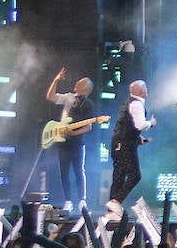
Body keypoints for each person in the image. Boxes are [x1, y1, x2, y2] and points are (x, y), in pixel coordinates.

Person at [46, 67, 96, 213]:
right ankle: (68, 200)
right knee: (64, 171)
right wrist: (56, 80)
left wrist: (74, 133)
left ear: (86, 89)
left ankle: (82, 200)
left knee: (79, 170)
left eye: (81, 83)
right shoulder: (68, 97)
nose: (76, 84)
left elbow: (88, 127)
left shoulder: (88, 104)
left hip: (77, 142)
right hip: (62, 140)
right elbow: (51, 96)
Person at [106, 79, 155, 218]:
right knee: (134, 175)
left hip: (119, 143)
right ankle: (115, 202)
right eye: (145, 88)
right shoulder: (136, 104)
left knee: (119, 176)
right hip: (124, 145)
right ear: (141, 91)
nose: (147, 90)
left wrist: (139, 139)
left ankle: (111, 211)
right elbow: (139, 125)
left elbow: (128, 125)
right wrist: (151, 123)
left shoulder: (130, 103)